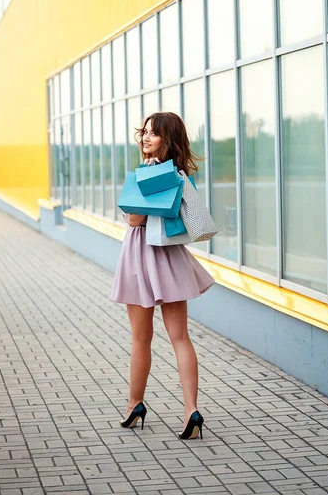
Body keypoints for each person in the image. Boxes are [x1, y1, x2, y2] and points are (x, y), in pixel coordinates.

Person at [110, 112, 214, 439]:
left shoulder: (150, 172)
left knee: (141, 338)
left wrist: (143, 186)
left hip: (142, 257)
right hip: (171, 259)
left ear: (166, 140)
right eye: (144, 132)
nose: (145, 138)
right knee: (180, 337)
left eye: (153, 134)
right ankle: (191, 410)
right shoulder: (182, 175)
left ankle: (134, 404)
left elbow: (134, 220)